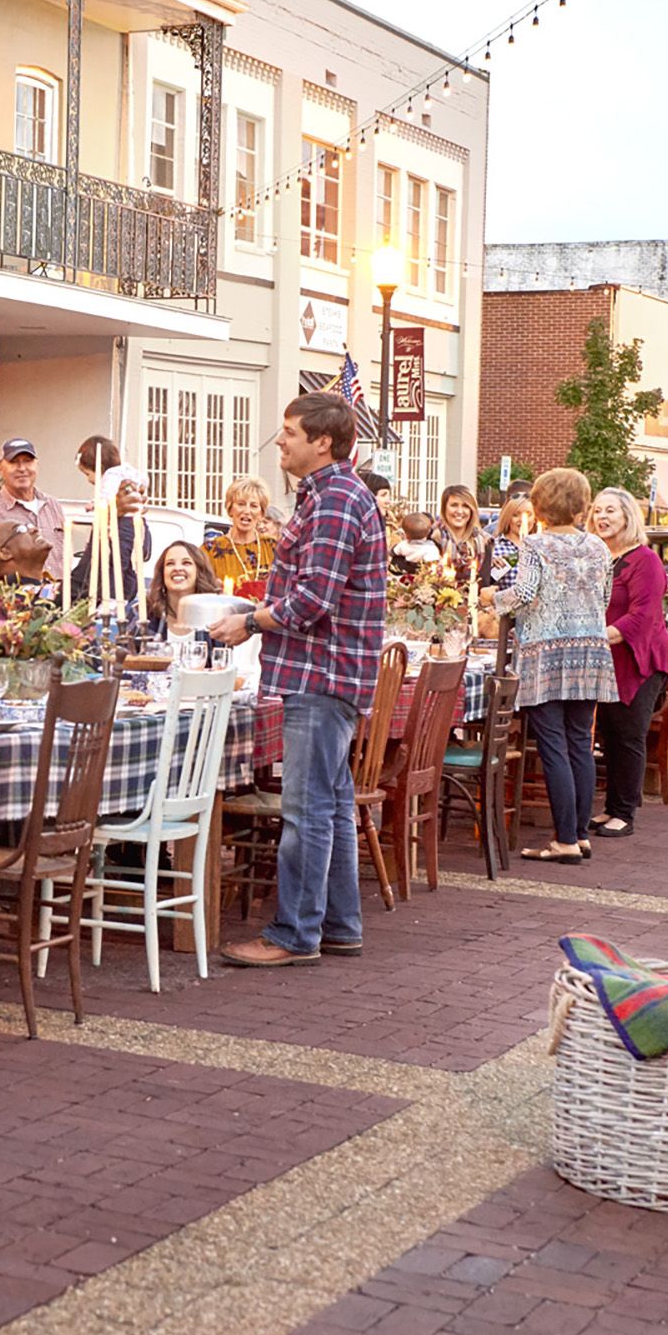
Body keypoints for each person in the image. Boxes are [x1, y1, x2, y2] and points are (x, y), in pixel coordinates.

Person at [209, 392, 386, 966]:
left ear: (322, 441)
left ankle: (294, 934)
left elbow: (314, 597)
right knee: (330, 807)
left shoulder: (334, 500)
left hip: (321, 672)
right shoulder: (331, 496)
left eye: (289, 431)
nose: (279, 440)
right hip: (329, 671)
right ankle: (338, 925)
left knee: (306, 810)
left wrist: (249, 622)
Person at [494, 468, 618, 861]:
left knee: (553, 745)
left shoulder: (535, 545)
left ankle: (564, 838)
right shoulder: (599, 547)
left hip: (547, 652)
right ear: (582, 504)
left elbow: (526, 592)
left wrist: (492, 600)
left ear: (542, 504)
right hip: (591, 649)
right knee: (580, 741)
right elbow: (605, 596)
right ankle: (579, 834)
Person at [590, 487, 668, 838]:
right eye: (596, 511)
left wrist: (595, 636)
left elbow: (642, 616)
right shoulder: (598, 557)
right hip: (607, 658)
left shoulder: (645, 561)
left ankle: (625, 812)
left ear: (627, 517)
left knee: (628, 734)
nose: (602, 517)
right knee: (608, 734)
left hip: (640, 659)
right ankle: (611, 806)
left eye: (610, 511)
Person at [0, 437, 66, 587]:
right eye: (14, 462)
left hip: (57, 603)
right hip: (11, 604)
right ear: (0, 467)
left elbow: (64, 557)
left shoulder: (53, 505)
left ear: (37, 464)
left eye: (27, 461)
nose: (22, 468)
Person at [73, 466, 149, 610]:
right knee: (126, 566)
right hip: (134, 523)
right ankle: (122, 597)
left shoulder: (111, 475)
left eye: (87, 473)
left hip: (123, 524)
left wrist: (96, 506)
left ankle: (113, 599)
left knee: (117, 563)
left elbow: (106, 497)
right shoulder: (132, 473)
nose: (89, 480)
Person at [204, 476, 277, 589]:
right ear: (230, 509)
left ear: (261, 513)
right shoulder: (209, 551)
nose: (247, 511)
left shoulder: (274, 547)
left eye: (254, 506)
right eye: (241, 504)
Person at [143, 539, 221, 637]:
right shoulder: (144, 612)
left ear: (199, 571)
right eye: (170, 563)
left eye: (186, 563)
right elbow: (124, 648)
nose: (177, 568)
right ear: (162, 573)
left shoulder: (215, 617)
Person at [432, 485, 490, 585]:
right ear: (444, 508)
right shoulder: (433, 539)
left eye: (465, 506)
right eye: (454, 505)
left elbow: (484, 583)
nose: (459, 511)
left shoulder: (483, 542)